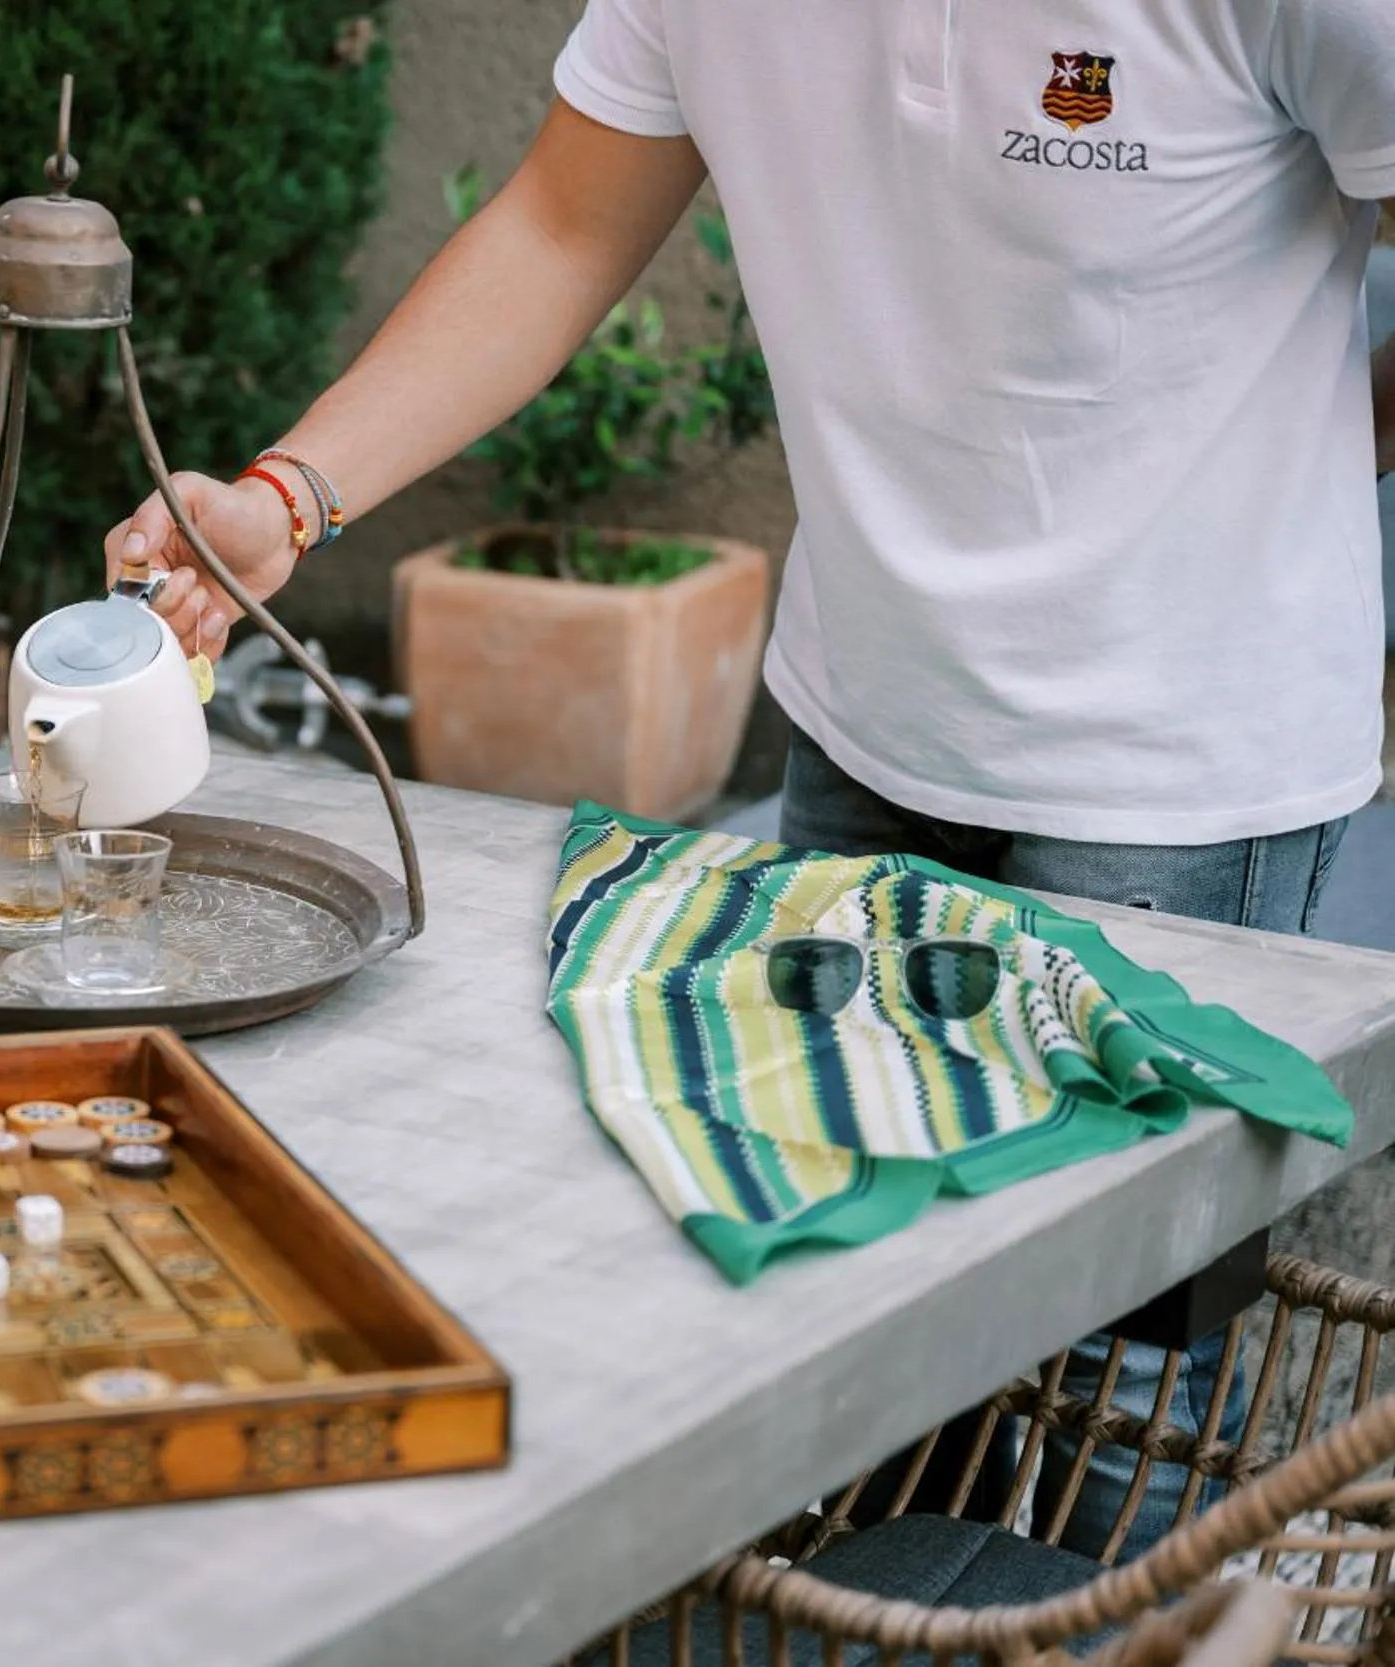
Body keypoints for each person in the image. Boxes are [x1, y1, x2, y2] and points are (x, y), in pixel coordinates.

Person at [105, 2, 1395, 1560]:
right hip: (860, 717)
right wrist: (286, 499)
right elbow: (564, 228)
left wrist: (1333, 436)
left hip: (1178, 771)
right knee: (859, 1336)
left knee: (1109, 1390)